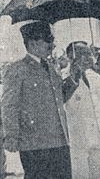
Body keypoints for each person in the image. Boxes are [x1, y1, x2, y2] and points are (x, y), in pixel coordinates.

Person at [1, 21, 79, 178]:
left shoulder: (51, 67)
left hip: (59, 139)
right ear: (32, 43)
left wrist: (73, 79)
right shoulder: (17, 69)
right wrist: (11, 136)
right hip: (34, 142)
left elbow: (59, 99)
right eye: (48, 40)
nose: (52, 45)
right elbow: (9, 106)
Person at [64, 41, 100, 179]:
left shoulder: (96, 77)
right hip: (79, 139)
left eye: (89, 53)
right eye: (82, 54)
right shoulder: (63, 78)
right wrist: (73, 78)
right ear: (71, 57)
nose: (87, 58)